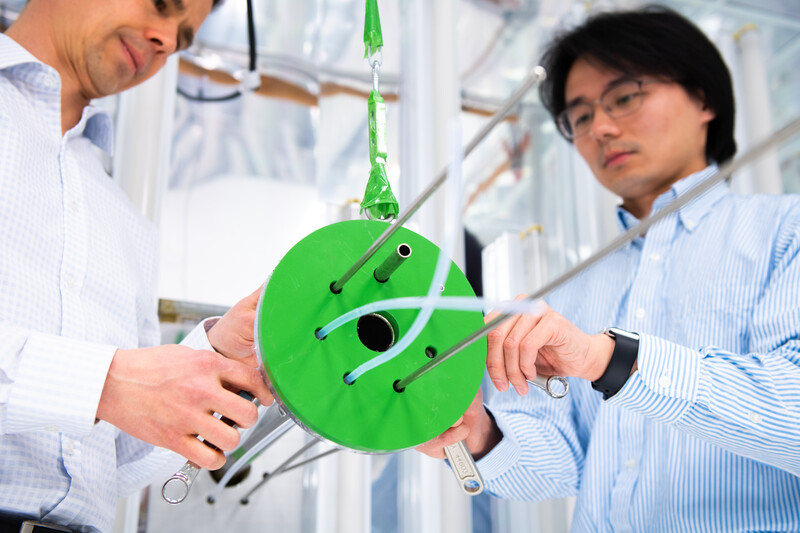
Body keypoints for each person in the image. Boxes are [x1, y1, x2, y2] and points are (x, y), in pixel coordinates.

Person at [418, 6, 800, 531]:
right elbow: (561, 466)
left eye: (624, 97)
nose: (599, 127)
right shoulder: (576, 291)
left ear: (705, 98)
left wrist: (610, 359)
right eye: (579, 116)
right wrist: (480, 433)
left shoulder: (787, 232)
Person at [0, 0, 274, 531]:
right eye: (162, 5)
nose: (168, 42)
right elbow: (109, 391)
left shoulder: (125, 222)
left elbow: (117, 458)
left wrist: (214, 357)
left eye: (185, 36)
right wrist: (105, 383)